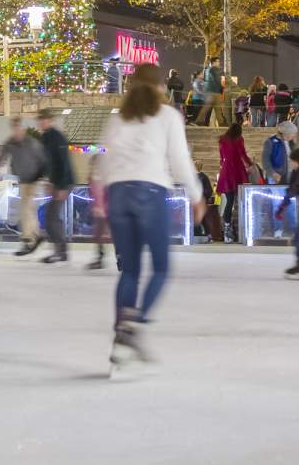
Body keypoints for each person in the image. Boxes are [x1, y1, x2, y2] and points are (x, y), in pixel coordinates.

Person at [95, 64, 203, 375]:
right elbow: (180, 160)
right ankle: (133, 326)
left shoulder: (116, 118)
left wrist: (102, 198)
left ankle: (119, 338)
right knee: (160, 268)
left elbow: (103, 157)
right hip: (150, 192)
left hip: (118, 194)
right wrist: (196, 195)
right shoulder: (168, 116)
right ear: (160, 87)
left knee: (129, 271)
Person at [0, 117, 47, 256]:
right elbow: (1, 155)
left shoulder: (31, 143)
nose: (16, 130)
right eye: (14, 127)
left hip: (34, 180)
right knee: (27, 210)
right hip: (23, 180)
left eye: (18, 127)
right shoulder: (10, 142)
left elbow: (43, 159)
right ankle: (37, 234)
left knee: (26, 209)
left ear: (23, 128)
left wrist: (43, 176)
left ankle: (28, 239)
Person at [37, 108, 74, 264]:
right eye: (40, 120)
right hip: (56, 182)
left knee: (51, 217)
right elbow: (47, 163)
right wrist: (48, 180)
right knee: (52, 217)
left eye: (44, 120)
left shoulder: (57, 137)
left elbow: (64, 163)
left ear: (49, 121)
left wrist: (63, 186)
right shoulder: (45, 137)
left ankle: (60, 251)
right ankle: (61, 251)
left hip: (64, 182)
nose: (41, 123)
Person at [216, 123, 252, 243]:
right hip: (237, 171)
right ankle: (242, 229)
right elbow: (242, 154)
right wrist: (250, 164)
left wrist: (223, 164)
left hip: (226, 172)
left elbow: (221, 157)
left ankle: (227, 230)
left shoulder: (222, 139)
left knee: (229, 202)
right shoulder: (239, 139)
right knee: (241, 200)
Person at [274, 148, 299, 279]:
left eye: (293, 161)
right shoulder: (295, 172)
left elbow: (293, 189)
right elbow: (291, 189)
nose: (291, 163)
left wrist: (282, 207)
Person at [262, 121, 298, 185]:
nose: (293, 136)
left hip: (290, 175)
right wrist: (272, 173)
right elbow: (265, 161)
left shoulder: (291, 142)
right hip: (276, 176)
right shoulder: (270, 142)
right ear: (285, 133)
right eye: (292, 134)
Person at [196, 56, 226, 126]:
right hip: (213, 92)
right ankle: (199, 121)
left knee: (216, 108)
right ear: (213, 62)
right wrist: (221, 88)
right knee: (209, 108)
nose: (219, 63)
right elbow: (217, 80)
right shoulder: (213, 69)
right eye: (218, 61)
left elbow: (204, 80)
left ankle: (221, 122)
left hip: (210, 92)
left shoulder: (206, 69)